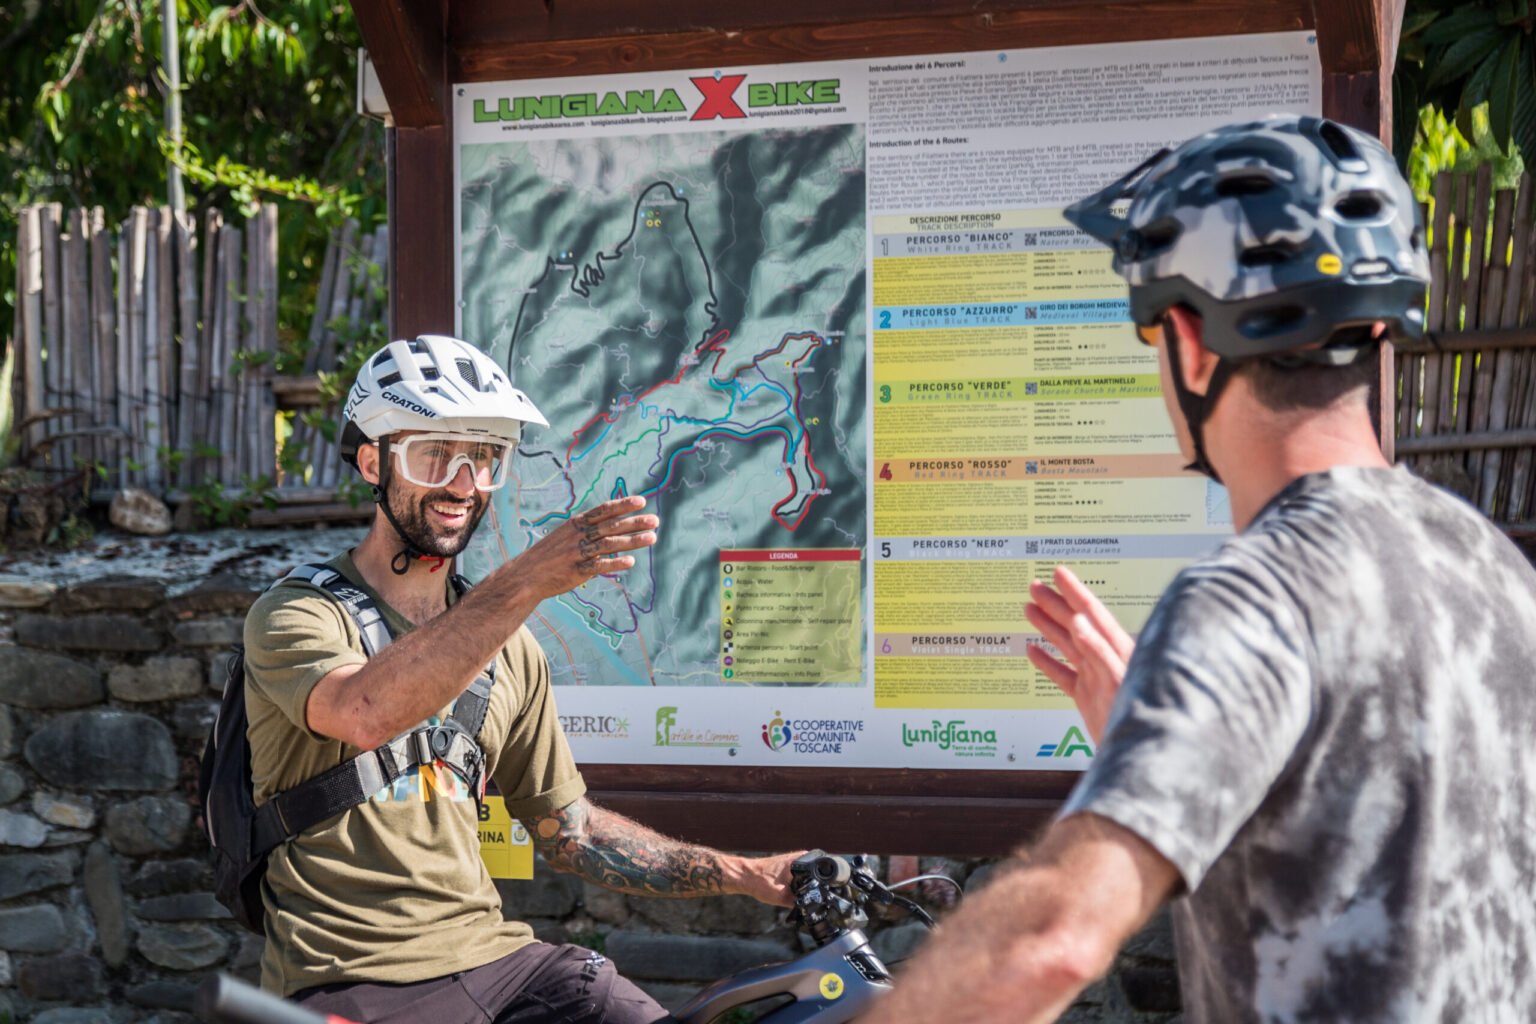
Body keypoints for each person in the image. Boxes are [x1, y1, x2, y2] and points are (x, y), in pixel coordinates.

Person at [866, 115, 1536, 1023]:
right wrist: (1152, 753)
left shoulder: (1255, 594)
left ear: (1188, 341)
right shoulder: (1490, 564)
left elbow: (1050, 943)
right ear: (1376, 327)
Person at [243, 334, 800, 1023]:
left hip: (496, 961)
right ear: (372, 462)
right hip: (351, 978)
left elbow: (575, 834)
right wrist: (530, 578)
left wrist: (750, 875)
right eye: (433, 455)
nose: (462, 484)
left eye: (483, 458)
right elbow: (364, 711)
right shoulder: (299, 613)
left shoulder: (510, 648)